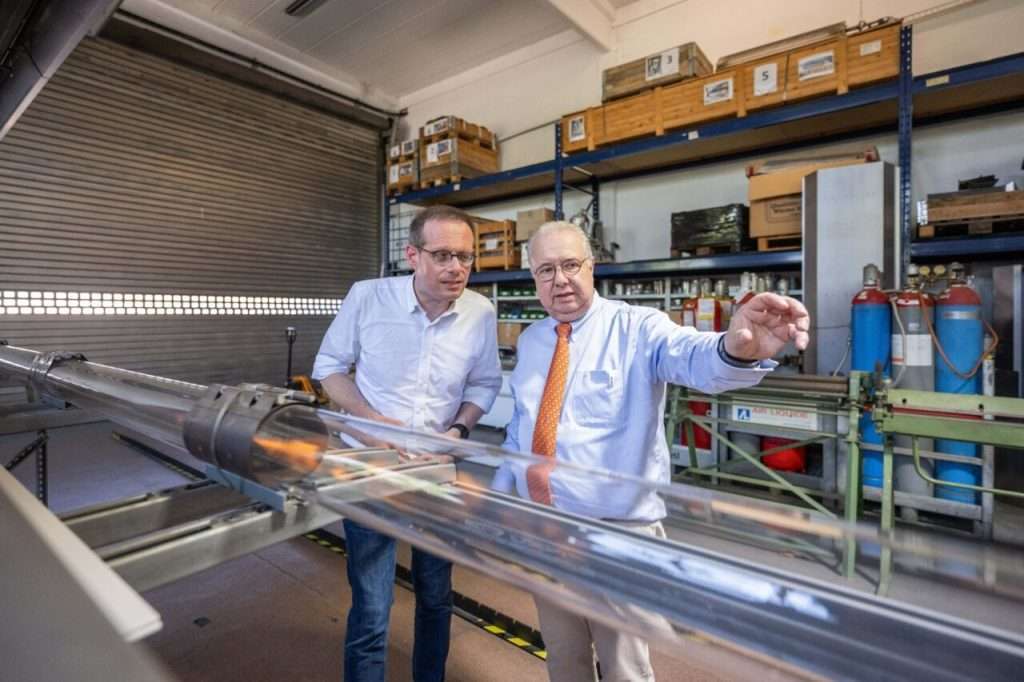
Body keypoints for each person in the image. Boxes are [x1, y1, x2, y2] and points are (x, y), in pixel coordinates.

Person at [492, 221, 810, 682]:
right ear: (534, 279)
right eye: (545, 270)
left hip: (615, 533)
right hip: (545, 528)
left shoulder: (637, 328)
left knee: (624, 666)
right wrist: (500, 500)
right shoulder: (533, 341)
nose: (559, 279)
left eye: (569, 265)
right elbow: (522, 429)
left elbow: (694, 357)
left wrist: (736, 350)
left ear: (591, 267)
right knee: (563, 657)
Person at [313, 205, 502, 682]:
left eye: (465, 257)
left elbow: (484, 385)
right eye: (442, 255)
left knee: (436, 598)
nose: (456, 268)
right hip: (371, 466)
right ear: (412, 255)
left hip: (436, 472)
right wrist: (372, 422)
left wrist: (457, 432)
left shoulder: (479, 312)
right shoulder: (368, 298)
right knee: (373, 606)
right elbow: (329, 368)